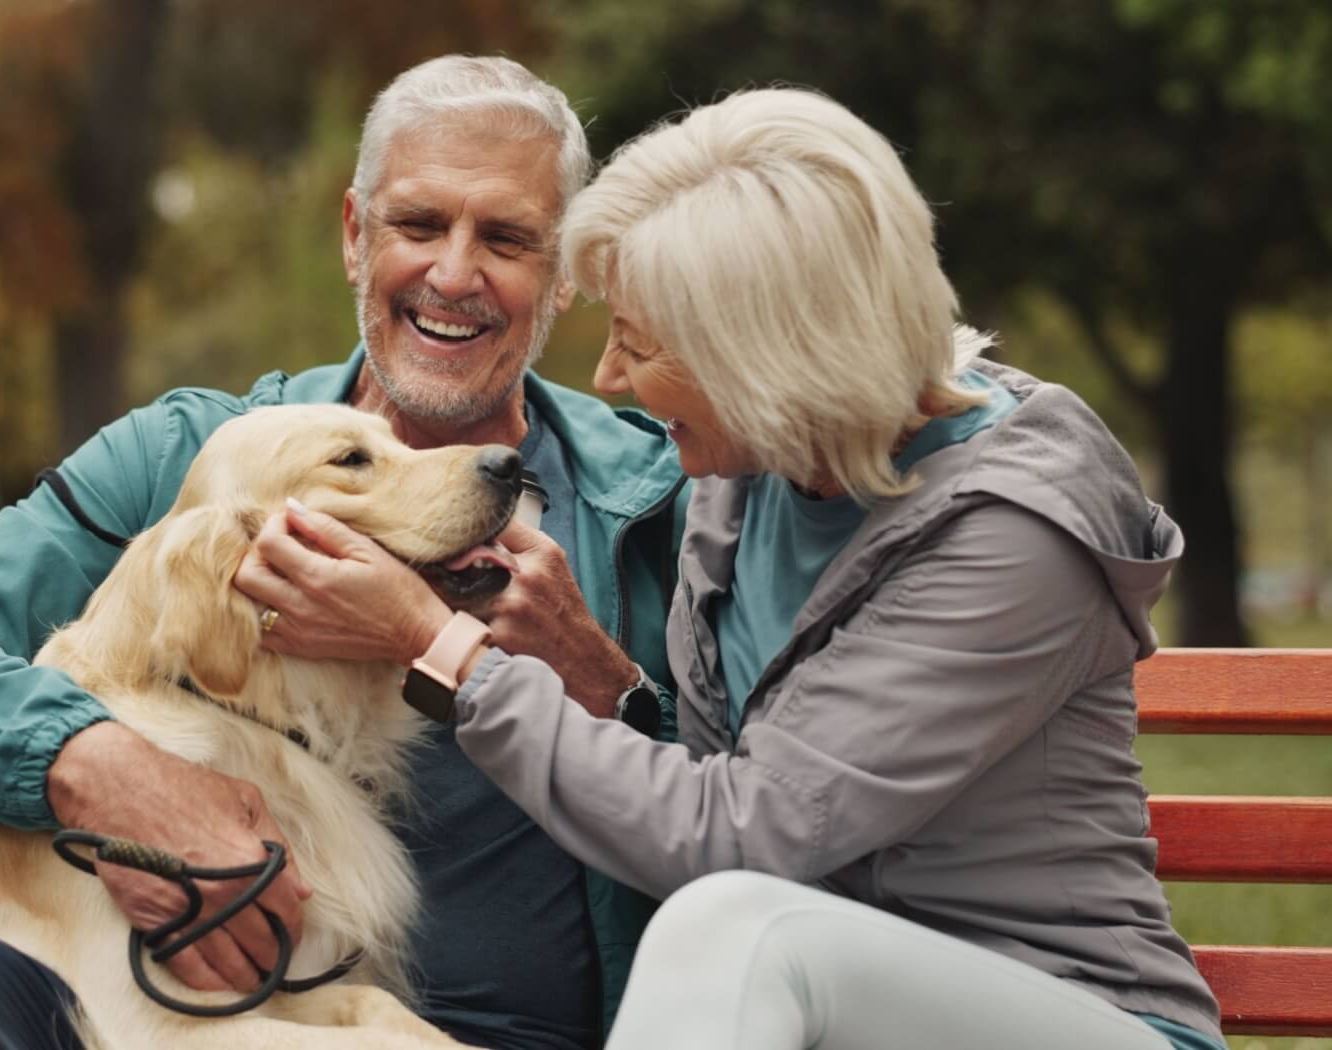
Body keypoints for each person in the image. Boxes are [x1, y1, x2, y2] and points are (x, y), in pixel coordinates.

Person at [242, 89, 1227, 1050]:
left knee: (741, 929)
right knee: (748, 934)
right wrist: (604, 687)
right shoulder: (742, 469)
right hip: (803, 1009)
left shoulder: (1013, 537)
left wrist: (435, 643)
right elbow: (735, 788)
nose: (609, 380)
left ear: (765, 357)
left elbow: (742, 839)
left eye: (638, 344)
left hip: (1061, 1009)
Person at [0, 55, 688, 1050]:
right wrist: (105, 773)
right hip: (193, 1017)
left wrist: (604, 686)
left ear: (564, 273)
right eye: (419, 225)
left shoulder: (663, 499)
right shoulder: (186, 457)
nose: (452, 273)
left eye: (508, 239)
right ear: (355, 236)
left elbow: (787, 821)